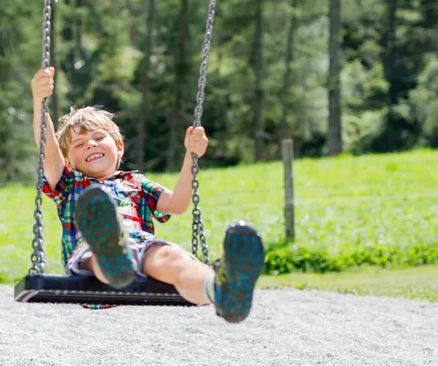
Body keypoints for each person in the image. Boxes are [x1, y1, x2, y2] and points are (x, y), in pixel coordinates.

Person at [31, 67, 265, 323]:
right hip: (90, 256)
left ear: (119, 148)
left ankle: (222, 290)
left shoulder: (136, 183)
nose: (91, 144)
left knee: (172, 258)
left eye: (99, 137)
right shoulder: (68, 183)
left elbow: (176, 204)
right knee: (98, 255)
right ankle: (114, 258)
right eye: (79, 144)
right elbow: (49, 152)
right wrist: (40, 102)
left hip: (142, 249)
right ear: (69, 161)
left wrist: (192, 155)